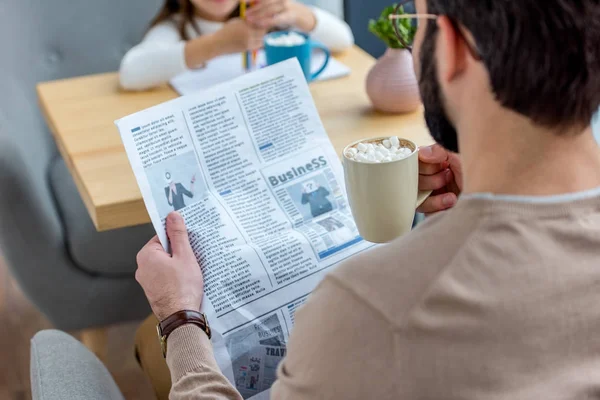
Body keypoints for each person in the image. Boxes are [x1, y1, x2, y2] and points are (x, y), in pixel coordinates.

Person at [134, 0, 600, 399]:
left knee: (148, 341)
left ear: (453, 48)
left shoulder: (369, 308)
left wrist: (179, 316)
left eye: (417, 27)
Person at [119, 0, 354, 90]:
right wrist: (215, 45)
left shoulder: (269, 16)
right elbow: (130, 73)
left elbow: (344, 40)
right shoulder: (177, 28)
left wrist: (297, 11)